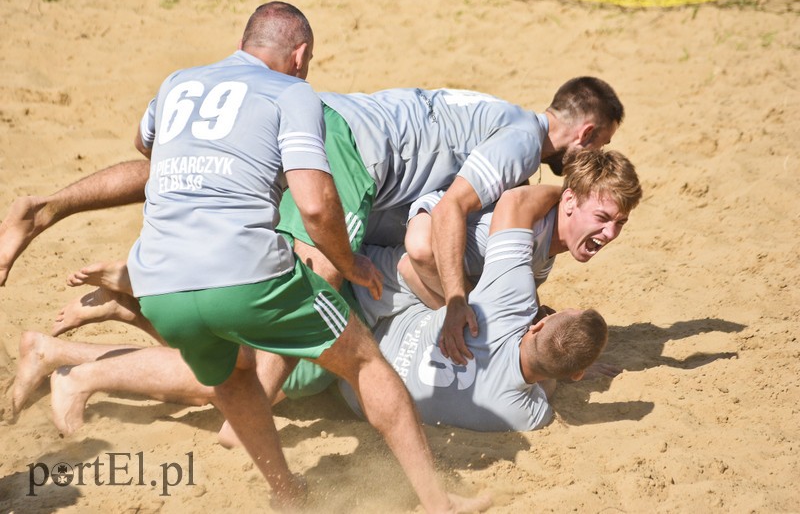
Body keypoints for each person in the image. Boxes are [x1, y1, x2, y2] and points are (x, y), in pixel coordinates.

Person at [57, 1, 486, 513]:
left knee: (234, 375)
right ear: (300, 55)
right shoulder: (291, 91)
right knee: (366, 361)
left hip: (158, 283)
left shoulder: (177, 82)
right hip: (244, 273)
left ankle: (286, 491)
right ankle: (439, 503)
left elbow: (146, 146)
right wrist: (350, 263)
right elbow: (315, 204)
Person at [0, 78, 624, 369]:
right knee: (314, 277)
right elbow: (456, 206)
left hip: (339, 125)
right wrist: (459, 298)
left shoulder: (502, 115)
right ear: (587, 132)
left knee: (189, 166)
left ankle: (48, 208)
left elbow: (147, 152)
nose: (585, 165)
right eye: (594, 150)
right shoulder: (521, 139)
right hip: (355, 148)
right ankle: (247, 401)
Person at [13, 148, 641, 434]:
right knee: (236, 385)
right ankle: (72, 366)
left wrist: (568, 348)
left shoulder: (530, 267)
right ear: (574, 199)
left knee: (235, 364)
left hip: (369, 301)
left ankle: (125, 307)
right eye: (601, 217)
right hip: (361, 296)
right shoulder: (525, 238)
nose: (609, 234)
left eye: (619, 225)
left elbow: (517, 320)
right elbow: (498, 210)